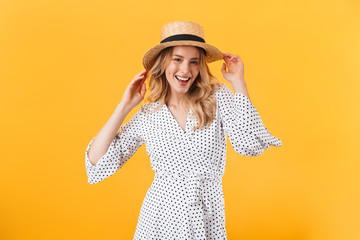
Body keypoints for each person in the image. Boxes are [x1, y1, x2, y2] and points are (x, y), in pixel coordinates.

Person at [84, 21, 282, 239]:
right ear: (164, 63)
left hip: (206, 218)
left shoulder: (217, 98)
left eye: (194, 62)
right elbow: (96, 164)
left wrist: (238, 83)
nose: (186, 69)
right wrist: (124, 107)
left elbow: (249, 146)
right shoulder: (149, 115)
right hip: (158, 220)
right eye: (177, 60)